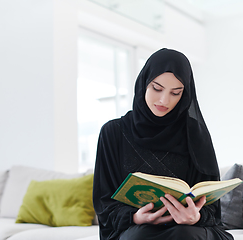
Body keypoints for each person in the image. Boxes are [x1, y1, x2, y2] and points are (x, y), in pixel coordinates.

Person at [93, 48, 233, 240]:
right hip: (135, 229)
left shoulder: (195, 133)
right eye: (156, 88)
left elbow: (212, 208)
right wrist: (135, 217)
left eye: (176, 93)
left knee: (185, 235)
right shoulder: (113, 132)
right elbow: (104, 202)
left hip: (189, 229)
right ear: (143, 83)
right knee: (137, 237)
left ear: (185, 95)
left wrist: (195, 216)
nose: (164, 100)